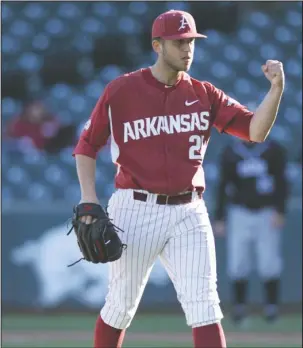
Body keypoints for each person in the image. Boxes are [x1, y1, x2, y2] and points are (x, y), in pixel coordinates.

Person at [73, 10, 285, 348]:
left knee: (205, 307)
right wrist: (89, 198)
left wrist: (275, 90)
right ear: (157, 45)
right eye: (179, 42)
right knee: (119, 307)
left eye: (191, 41)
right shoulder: (121, 90)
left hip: (189, 210)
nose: (188, 49)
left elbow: (255, 130)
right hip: (135, 207)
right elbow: (86, 146)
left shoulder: (204, 93)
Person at [213, 139, 288, 325]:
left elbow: (281, 181)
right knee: (238, 262)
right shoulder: (231, 151)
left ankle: (271, 306)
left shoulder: (273, 150)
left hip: (266, 211)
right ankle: (239, 306)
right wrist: (220, 216)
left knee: (269, 262)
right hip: (239, 211)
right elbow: (223, 184)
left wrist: (280, 210)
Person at [5, 99, 76, 154]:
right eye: (36, 108)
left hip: (49, 153)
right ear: (28, 109)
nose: (39, 110)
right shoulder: (19, 123)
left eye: (40, 107)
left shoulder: (49, 119)